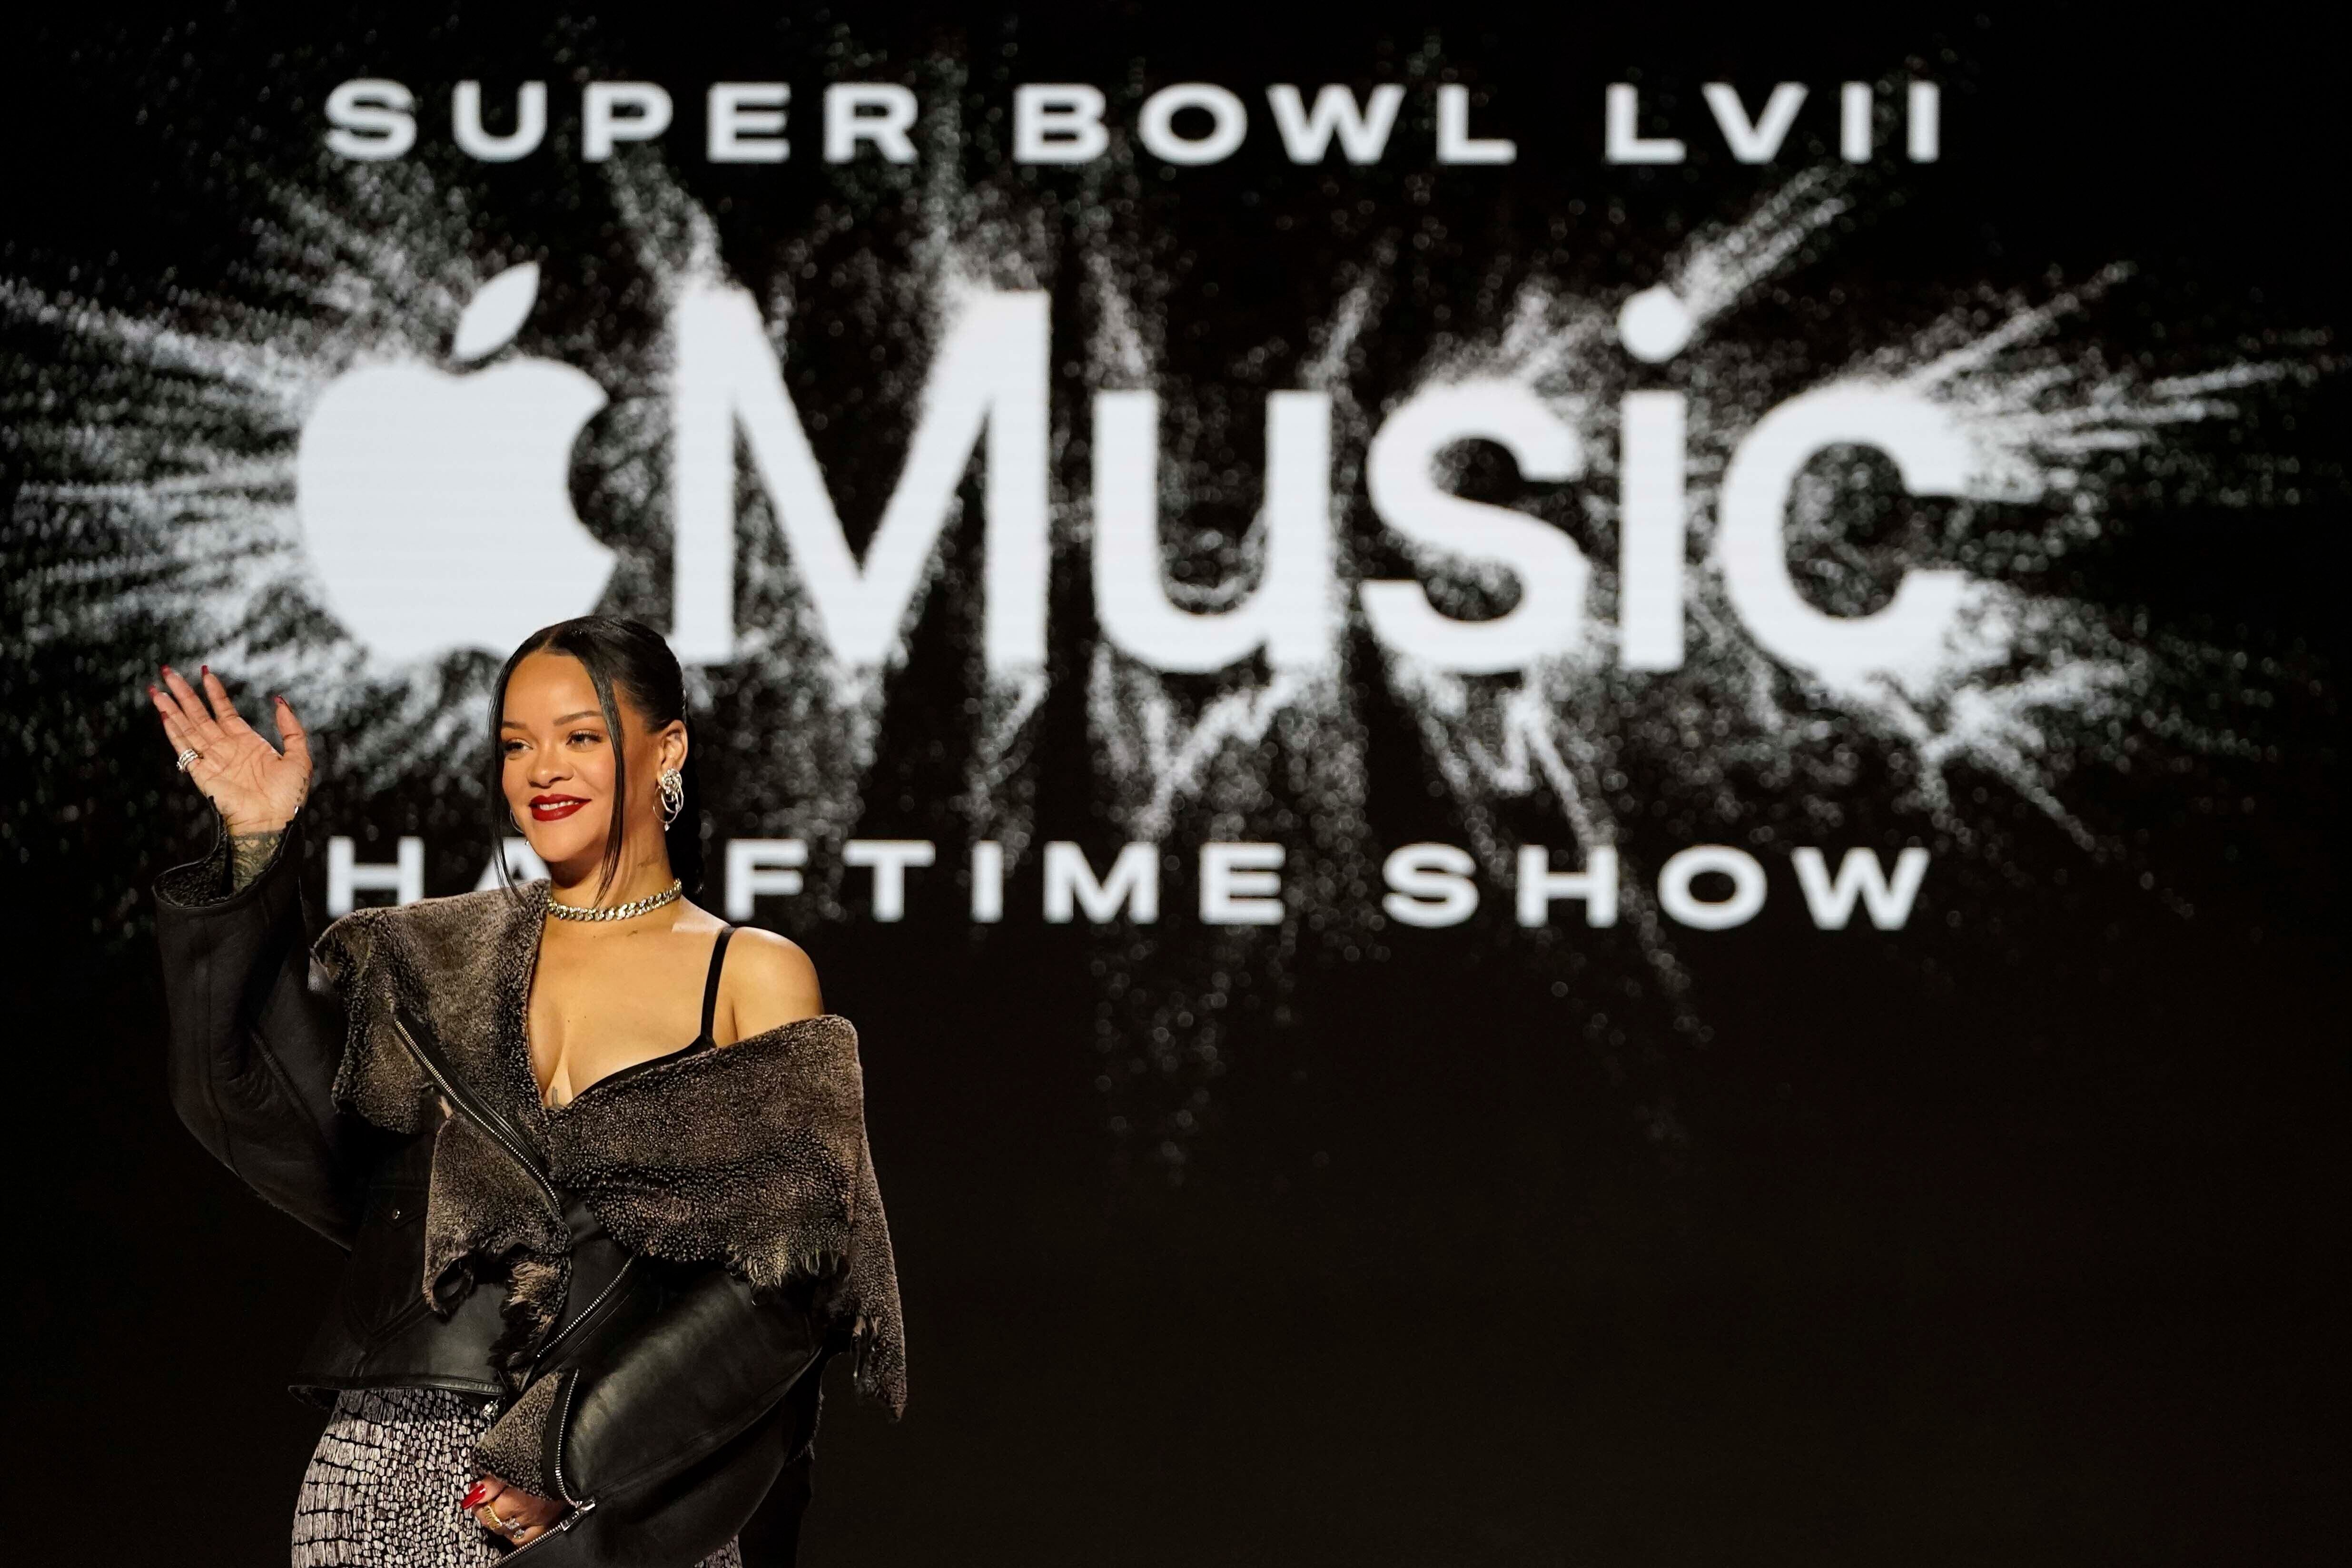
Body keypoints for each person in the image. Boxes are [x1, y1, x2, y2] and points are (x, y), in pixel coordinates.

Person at [147, 616, 904, 1566]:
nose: (541, 768)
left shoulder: (747, 971)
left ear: (666, 746)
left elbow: (791, 1273)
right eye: (516, 744)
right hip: (392, 1472)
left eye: (580, 736)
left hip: (618, 1485)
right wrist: (257, 844)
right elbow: (254, 1101)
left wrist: (579, 1459)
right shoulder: (427, 956)